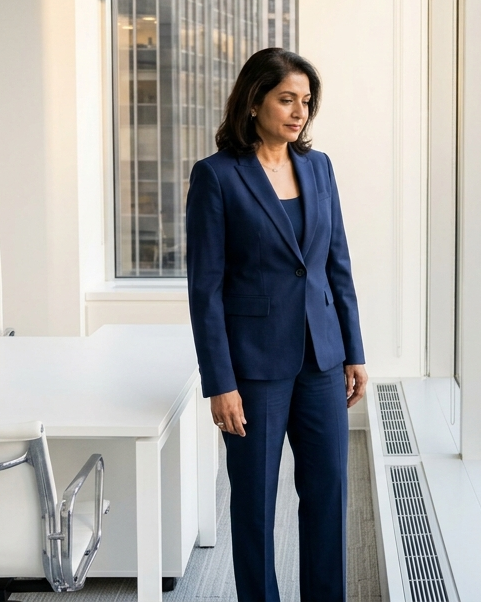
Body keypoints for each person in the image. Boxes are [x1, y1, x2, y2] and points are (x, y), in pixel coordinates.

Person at [185, 48, 368, 601]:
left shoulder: (319, 167)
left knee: (328, 494)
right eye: (286, 99)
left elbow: (337, 264)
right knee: (256, 503)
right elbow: (205, 290)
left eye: (305, 102)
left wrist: (354, 351)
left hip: (321, 358)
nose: (298, 113)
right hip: (255, 369)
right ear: (254, 100)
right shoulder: (217, 177)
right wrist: (220, 383)